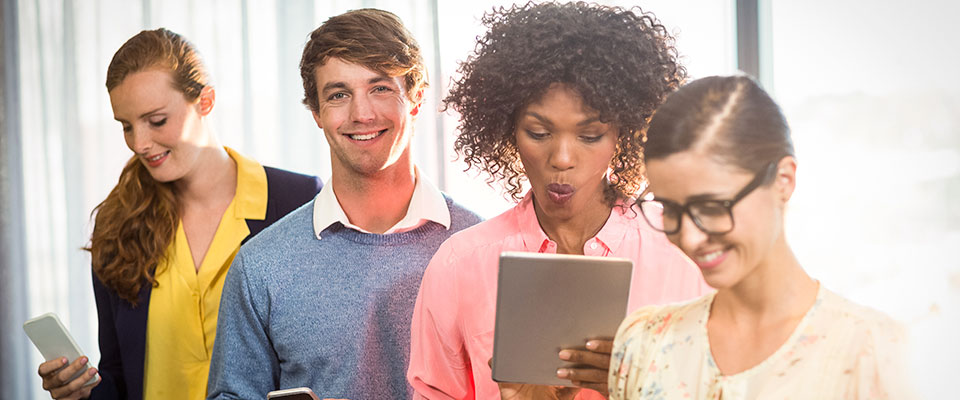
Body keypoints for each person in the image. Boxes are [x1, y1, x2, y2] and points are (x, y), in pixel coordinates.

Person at [407, 3, 710, 399]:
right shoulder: (459, 266)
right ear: (508, 130)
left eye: (589, 136)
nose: (562, 158)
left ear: (625, 133)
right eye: (538, 132)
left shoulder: (685, 249)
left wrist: (634, 387)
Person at [205, 9, 482, 399]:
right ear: (317, 113)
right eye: (338, 94)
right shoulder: (261, 266)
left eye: (380, 88)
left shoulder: (479, 249)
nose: (362, 114)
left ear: (416, 99)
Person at [36, 28, 322, 400]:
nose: (139, 143)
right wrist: (81, 392)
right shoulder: (118, 223)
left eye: (156, 121)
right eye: (126, 126)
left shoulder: (297, 200)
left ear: (205, 101)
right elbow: (119, 377)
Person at [608, 75, 913, 399]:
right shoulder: (643, 344)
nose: (690, 237)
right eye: (670, 209)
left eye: (711, 206)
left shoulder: (875, 353)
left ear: (783, 180)